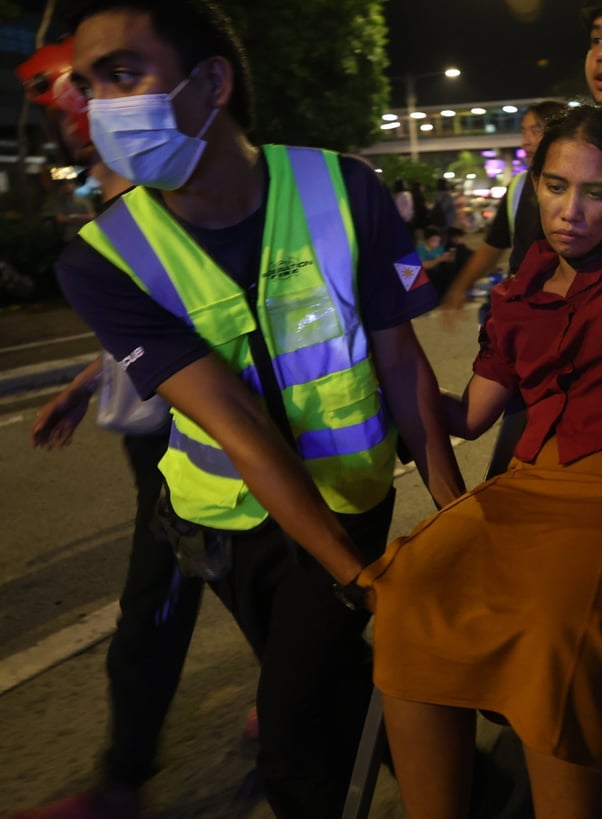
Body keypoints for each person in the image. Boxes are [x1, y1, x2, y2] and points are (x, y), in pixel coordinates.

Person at [48, 2, 464, 818]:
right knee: (330, 690)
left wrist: (457, 512)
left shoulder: (344, 187)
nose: (100, 105)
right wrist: (365, 584)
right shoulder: (100, 260)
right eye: (88, 84)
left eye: (124, 73)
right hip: (221, 529)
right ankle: (468, 786)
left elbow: (401, 359)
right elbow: (234, 421)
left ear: (212, 80)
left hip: (349, 503)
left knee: (293, 747)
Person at [363, 104, 602, 819]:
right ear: (534, 185)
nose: (569, 211)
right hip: (531, 480)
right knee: (405, 592)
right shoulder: (519, 293)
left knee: (556, 629)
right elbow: (471, 414)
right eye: (554, 187)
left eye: (595, 192)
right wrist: (394, 349)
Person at [13, 39, 208, 819]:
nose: (75, 118)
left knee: (151, 615)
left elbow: (196, 318)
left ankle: (122, 783)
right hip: (154, 434)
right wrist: (84, 382)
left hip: (191, 437)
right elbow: (137, 321)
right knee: (245, 586)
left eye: (87, 95)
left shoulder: (164, 188)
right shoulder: (116, 191)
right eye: (74, 97)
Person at [441, 99, 565, 313]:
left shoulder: (577, 185)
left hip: (565, 301)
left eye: (535, 131)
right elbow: (493, 246)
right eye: (523, 132)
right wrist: (461, 286)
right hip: (524, 302)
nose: (526, 142)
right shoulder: (517, 187)